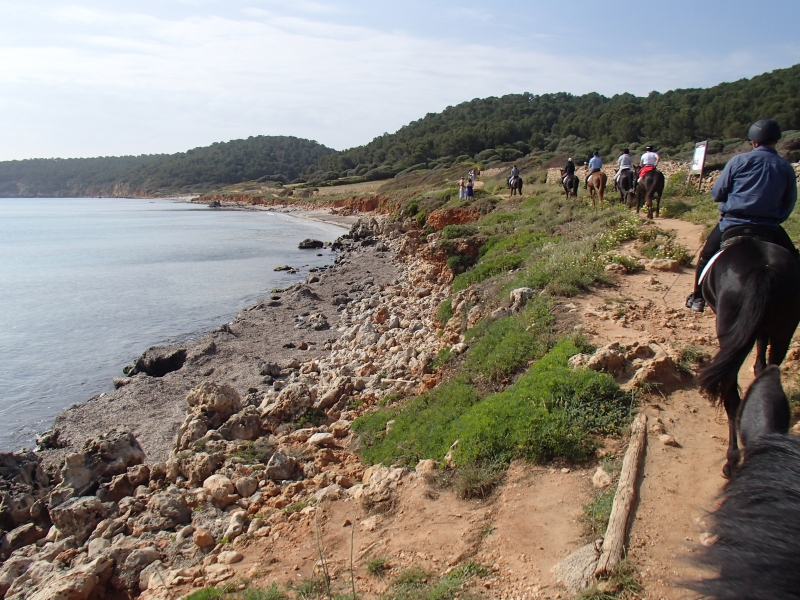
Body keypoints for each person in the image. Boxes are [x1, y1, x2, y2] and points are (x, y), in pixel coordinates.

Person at [685, 119, 798, 312]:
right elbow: (789, 202)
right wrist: (775, 218)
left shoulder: (739, 161)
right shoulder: (785, 167)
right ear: (776, 141)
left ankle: (697, 296)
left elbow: (717, 193)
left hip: (733, 223)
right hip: (769, 227)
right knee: (794, 259)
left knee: (706, 255)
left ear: (753, 142)